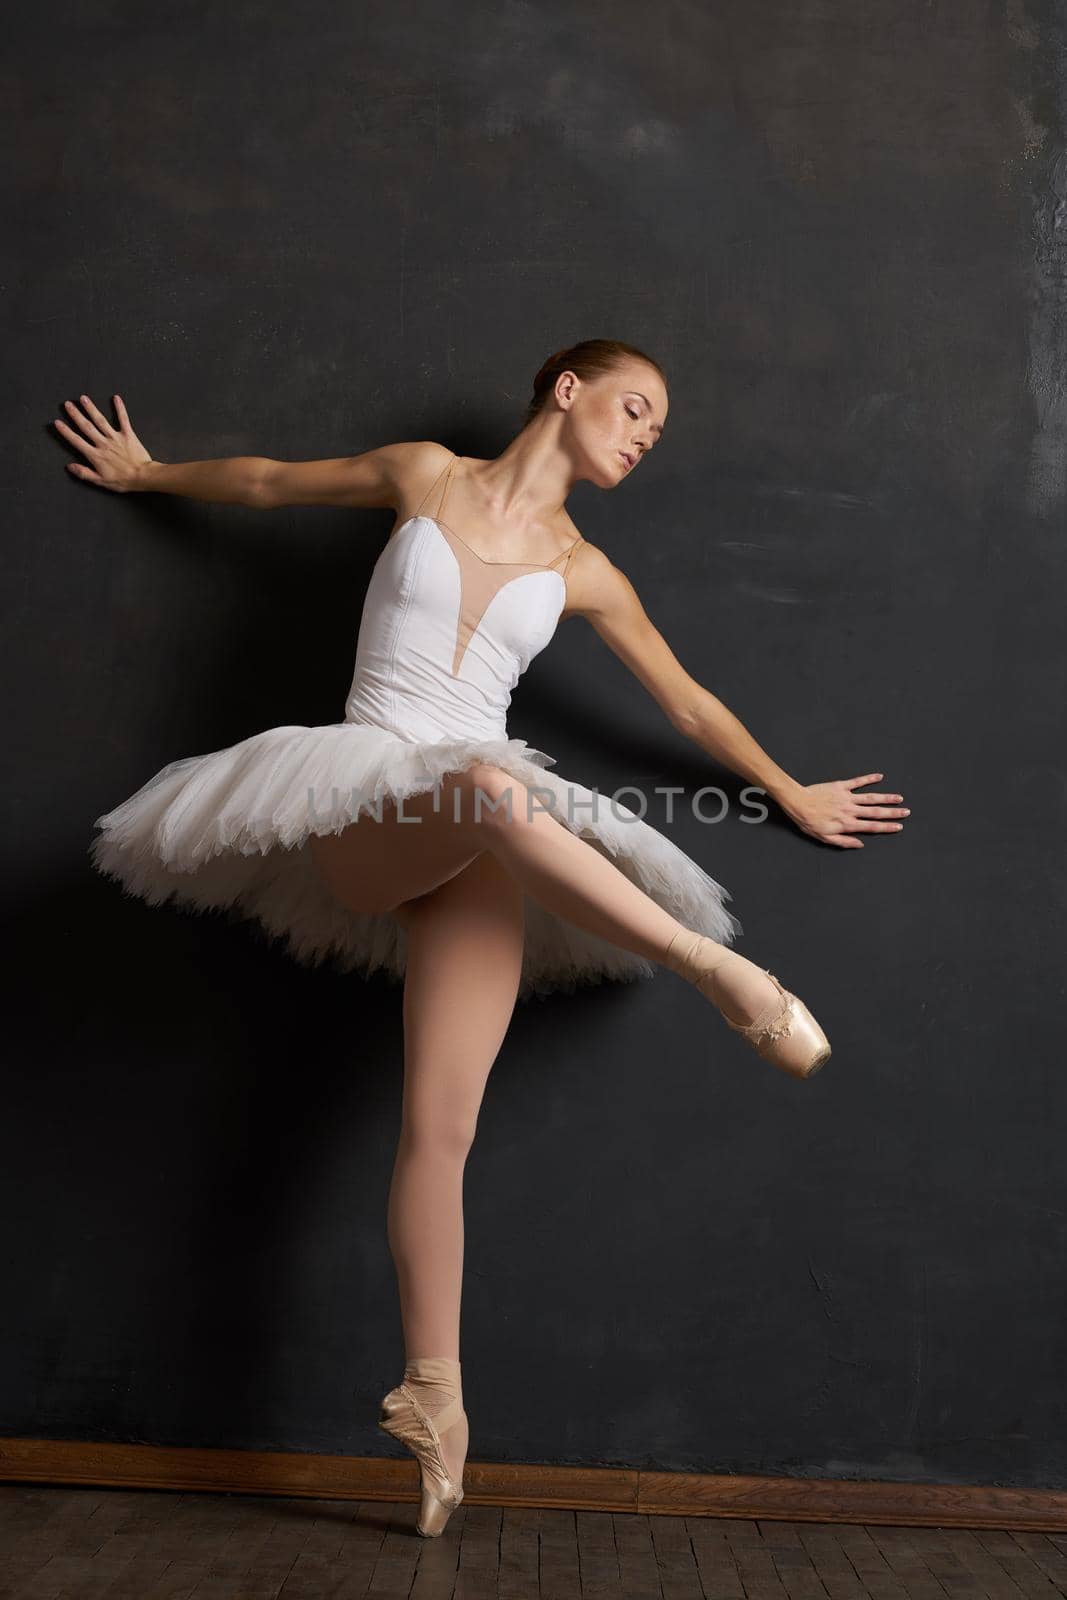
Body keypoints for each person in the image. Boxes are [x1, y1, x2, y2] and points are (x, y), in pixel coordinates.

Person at [59, 337, 908, 1536]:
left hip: (476, 840)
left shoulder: (584, 567)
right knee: (498, 790)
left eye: (653, 429)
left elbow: (687, 701)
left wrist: (790, 789)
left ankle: (436, 1399)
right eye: (633, 408)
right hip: (362, 799)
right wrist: (151, 475)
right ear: (567, 389)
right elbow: (264, 484)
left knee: (439, 1127)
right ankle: (717, 968)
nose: (642, 434)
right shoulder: (422, 474)